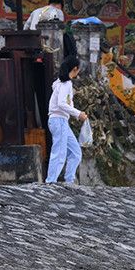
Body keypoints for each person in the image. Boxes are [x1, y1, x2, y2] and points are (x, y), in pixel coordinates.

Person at [47, 56, 88, 184]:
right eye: (78, 69)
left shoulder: (61, 83)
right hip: (58, 120)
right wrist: (78, 113)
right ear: (75, 69)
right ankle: (50, 182)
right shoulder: (66, 84)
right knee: (59, 153)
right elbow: (61, 104)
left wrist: (76, 113)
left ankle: (69, 181)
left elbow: (66, 103)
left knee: (75, 153)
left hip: (61, 121)